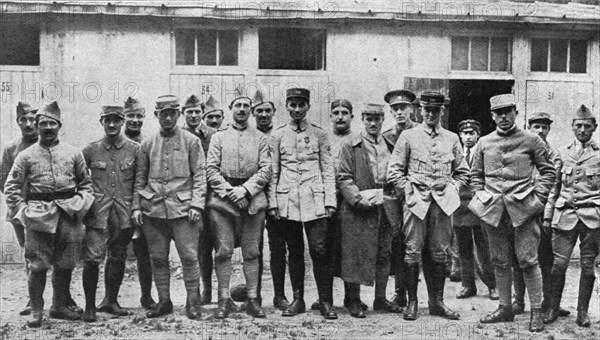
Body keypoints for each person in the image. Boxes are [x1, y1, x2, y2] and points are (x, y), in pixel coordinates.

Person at [470, 94, 555, 332]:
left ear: (516, 112)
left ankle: (536, 312)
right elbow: (475, 175)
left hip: (524, 211)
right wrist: (481, 198)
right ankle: (505, 308)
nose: (504, 116)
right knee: (499, 260)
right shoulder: (484, 142)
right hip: (493, 211)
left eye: (508, 111)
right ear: (492, 116)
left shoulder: (532, 139)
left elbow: (548, 173)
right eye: (499, 113)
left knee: (528, 261)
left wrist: (537, 200)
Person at [4, 101, 94, 328]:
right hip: (38, 216)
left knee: (66, 263)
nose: (47, 127)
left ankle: (60, 305)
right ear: (37, 125)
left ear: (59, 125)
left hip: (68, 214)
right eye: (42, 123)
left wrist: (80, 206)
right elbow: (11, 187)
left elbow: (86, 184)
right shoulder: (25, 156)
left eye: (51, 123)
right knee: (38, 265)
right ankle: (36, 310)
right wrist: (23, 212)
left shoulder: (74, 154)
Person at [387, 91, 468, 321]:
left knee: (439, 252)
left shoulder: (452, 138)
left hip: (442, 203)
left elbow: (462, 172)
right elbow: (394, 171)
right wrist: (408, 194)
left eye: (436, 110)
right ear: (420, 110)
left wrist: (453, 189)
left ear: (442, 111)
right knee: (412, 250)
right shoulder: (408, 137)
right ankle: (412, 302)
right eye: (427, 110)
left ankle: (437, 302)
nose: (431, 114)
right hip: (416, 203)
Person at [132, 95, 206, 320]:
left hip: (184, 211)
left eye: (172, 113)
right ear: (156, 115)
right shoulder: (147, 144)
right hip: (153, 210)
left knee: (189, 257)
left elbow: (200, 176)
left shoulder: (191, 141)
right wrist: (136, 207)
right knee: (158, 258)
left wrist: (197, 205)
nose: (167, 118)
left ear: (178, 114)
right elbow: (140, 179)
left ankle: (193, 302)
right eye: (163, 113)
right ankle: (164, 301)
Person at [267, 88, 338, 320]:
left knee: (319, 250)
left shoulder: (320, 134)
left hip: (315, 200)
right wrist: (273, 203)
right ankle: (298, 299)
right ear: (287, 106)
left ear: (308, 106)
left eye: (301, 105)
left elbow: (328, 169)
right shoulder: (277, 136)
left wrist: (330, 201)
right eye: (293, 105)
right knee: (294, 251)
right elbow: (274, 171)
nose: (297, 110)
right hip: (288, 201)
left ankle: (326, 301)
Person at [206, 89, 271, 318]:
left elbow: (266, 169)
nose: (242, 110)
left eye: (246, 106)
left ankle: (252, 299)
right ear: (231, 110)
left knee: (252, 252)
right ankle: (224, 299)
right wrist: (230, 192)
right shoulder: (218, 137)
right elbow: (211, 170)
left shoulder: (261, 138)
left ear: (251, 111)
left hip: (252, 200)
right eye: (238, 106)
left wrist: (245, 190)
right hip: (223, 202)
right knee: (223, 251)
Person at [337, 103, 400, 318]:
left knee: (384, 253)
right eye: (369, 119)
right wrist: (357, 200)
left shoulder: (391, 144)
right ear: (362, 120)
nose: (373, 123)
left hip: (386, 206)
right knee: (355, 252)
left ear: (383, 120)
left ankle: (380, 299)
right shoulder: (350, 144)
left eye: (377, 119)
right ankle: (352, 300)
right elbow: (343, 177)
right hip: (359, 208)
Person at [81, 106, 140, 322]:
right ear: (101, 122)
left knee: (117, 255)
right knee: (92, 258)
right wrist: (85, 201)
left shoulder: (135, 149)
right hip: (98, 213)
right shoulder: (90, 149)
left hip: (123, 212)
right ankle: (89, 306)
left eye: (116, 120)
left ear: (123, 122)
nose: (112, 125)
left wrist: (136, 207)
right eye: (108, 121)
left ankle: (110, 300)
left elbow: (139, 182)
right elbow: (78, 177)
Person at [544, 105, 599, 327]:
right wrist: (548, 216)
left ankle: (582, 312)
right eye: (579, 126)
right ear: (572, 128)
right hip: (564, 215)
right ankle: (553, 309)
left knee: (587, 266)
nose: (583, 130)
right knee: (558, 266)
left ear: (595, 128)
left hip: (592, 218)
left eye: (587, 126)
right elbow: (554, 187)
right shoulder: (562, 153)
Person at [512, 112, 568, 317]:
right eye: (537, 127)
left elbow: (554, 188)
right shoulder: (522, 149)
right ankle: (518, 301)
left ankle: (548, 301)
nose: (541, 131)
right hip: (523, 211)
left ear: (549, 129)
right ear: (530, 127)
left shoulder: (554, 155)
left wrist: (548, 217)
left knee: (546, 259)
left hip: (544, 213)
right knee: (520, 258)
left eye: (545, 127)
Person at [230, 90, 277, 308]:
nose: (263, 115)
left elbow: (270, 170)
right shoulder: (243, 136)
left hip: (273, 198)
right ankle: (253, 295)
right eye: (259, 111)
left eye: (268, 110)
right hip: (250, 199)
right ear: (253, 113)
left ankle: (279, 296)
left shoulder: (277, 135)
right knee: (252, 246)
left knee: (277, 247)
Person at [382, 89, 419, 310]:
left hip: (418, 196)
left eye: (403, 108)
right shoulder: (387, 137)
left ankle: (428, 296)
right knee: (398, 243)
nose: (399, 112)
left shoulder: (420, 133)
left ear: (411, 109)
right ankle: (399, 293)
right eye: (395, 109)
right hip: (394, 197)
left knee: (417, 245)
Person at [0, 102, 39, 316]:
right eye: (23, 120)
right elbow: (3, 181)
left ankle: (63, 298)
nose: (28, 124)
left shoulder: (46, 145)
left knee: (56, 253)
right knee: (29, 253)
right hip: (20, 211)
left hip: (47, 209)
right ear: (18, 123)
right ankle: (32, 299)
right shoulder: (11, 149)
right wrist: (18, 204)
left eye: (32, 119)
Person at [454, 119, 497, 300]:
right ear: (460, 135)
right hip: (460, 206)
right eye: (465, 133)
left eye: (472, 133)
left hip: (480, 205)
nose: (468, 137)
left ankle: (492, 285)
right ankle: (468, 285)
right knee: (463, 248)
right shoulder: (456, 153)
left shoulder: (484, 151)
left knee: (484, 248)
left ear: (478, 135)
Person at [122, 97, 157, 310]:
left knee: (145, 253)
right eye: (130, 116)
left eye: (138, 116)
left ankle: (146, 296)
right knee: (115, 252)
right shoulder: (116, 140)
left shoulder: (149, 143)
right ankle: (110, 299)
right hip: (119, 204)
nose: (135, 120)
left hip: (142, 206)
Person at [182, 94, 216, 305]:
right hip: (187, 199)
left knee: (211, 245)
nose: (194, 116)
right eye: (189, 112)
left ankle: (212, 291)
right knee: (193, 248)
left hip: (210, 198)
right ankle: (197, 292)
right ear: (183, 114)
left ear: (202, 113)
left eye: (197, 111)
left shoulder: (213, 135)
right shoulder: (178, 136)